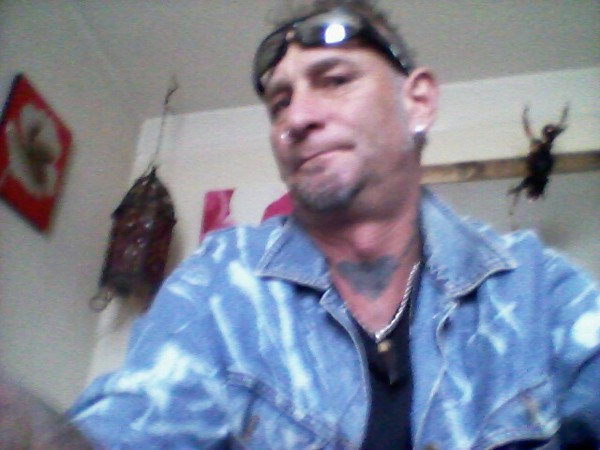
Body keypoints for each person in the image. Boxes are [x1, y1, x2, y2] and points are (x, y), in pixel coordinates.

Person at [69, 1, 600, 448]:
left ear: (417, 102)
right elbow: (137, 416)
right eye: (280, 103)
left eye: (335, 80)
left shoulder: (535, 288)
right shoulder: (222, 282)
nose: (297, 119)